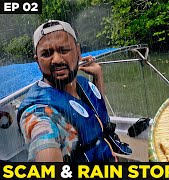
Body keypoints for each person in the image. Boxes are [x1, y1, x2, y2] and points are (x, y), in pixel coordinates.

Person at [17, 20, 131, 162]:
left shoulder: (82, 83)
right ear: (37, 61)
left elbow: (95, 109)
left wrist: (98, 76)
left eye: (64, 50)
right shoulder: (39, 111)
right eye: (46, 54)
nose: (57, 60)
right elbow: (43, 137)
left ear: (78, 51)